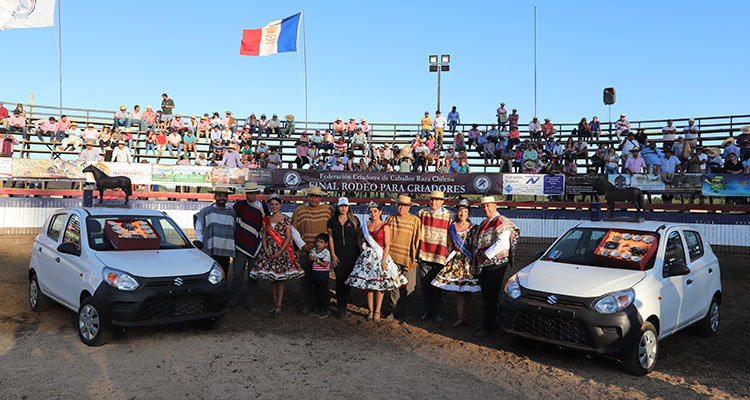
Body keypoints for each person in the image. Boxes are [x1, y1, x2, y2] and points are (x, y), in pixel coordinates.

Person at [346, 202, 408, 321]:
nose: (373, 214)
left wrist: (384, 260)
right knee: (369, 285)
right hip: (368, 257)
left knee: (380, 286)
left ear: (380, 212)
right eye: (370, 211)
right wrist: (361, 248)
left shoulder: (385, 226)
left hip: (380, 257)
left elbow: (387, 245)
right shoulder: (365, 225)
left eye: (375, 211)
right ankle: (370, 311)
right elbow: (358, 237)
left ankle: (378, 311)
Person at [251, 195, 305, 316]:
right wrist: (265, 249)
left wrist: (280, 251)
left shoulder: (286, 219)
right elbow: (264, 236)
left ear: (280, 205)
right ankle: (275, 304)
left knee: (280, 280)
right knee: (272, 279)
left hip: (281, 251)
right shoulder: (267, 219)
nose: (274, 206)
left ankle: (279, 305)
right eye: (272, 205)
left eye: (276, 204)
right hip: (269, 251)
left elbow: (288, 236)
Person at [473, 196, 519, 337]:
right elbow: (477, 243)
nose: (486, 208)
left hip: (495, 264)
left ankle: (489, 326)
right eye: (484, 206)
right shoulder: (485, 222)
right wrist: (478, 255)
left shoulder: (501, 221)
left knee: (491, 295)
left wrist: (484, 256)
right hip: (486, 263)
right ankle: (489, 324)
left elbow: (502, 243)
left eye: (488, 206)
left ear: (495, 206)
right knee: (487, 295)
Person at [431, 199, 480, 327]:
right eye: (460, 211)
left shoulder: (474, 228)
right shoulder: (452, 226)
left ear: (468, 213)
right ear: (457, 212)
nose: (462, 213)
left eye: (465, 211)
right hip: (456, 260)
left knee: (467, 290)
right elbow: (448, 244)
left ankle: (466, 315)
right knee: (459, 290)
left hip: (468, 262)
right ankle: (460, 316)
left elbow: (475, 248)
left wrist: (475, 264)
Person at [291, 185, 333, 315]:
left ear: (320, 198)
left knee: (322, 280)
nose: (314, 199)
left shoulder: (328, 210)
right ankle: (308, 304)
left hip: (324, 254)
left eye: (317, 196)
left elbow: (334, 229)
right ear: (308, 197)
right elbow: (293, 229)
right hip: (306, 251)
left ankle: (322, 305)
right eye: (312, 196)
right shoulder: (300, 211)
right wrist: (302, 245)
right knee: (306, 279)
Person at [229, 182, 270, 311]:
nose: (249, 195)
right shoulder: (239, 206)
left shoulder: (263, 207)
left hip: (255, 245)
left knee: (253, 275)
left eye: (252, 193)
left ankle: (250, 302)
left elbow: (267, 225)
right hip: (240, 245)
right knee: (237, 276)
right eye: (248, 193)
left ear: (257, 193)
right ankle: (232, 303)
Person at [417, 190, 454, 322]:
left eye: (437, 200)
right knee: (425, 285)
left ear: (442, 202)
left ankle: (436, 311)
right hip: (425, 254)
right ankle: (428, 310)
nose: (434, 202)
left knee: (437, 286)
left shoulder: (450, 216)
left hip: (440, 256)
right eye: (432, 200)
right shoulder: (422, 213)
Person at [382, 195, 422, 320]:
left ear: (409, 207)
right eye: (400, 205)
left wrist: (415, 258)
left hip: (408, 257)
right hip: (392, 258)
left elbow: (418, 240)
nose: (402, 208)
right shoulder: (390, 219)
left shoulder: (415, 220)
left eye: (405, 205)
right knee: (394, 286)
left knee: (409, 286)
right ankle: (393, 309)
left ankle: (407, 312)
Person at [327, 197, 362, 318]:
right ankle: (341, 307)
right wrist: (333, 254)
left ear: (349, 207)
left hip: (352, 254)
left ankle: (344, 304)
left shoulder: (354, 220)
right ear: (337, 207)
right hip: (338, 254)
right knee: (339, 279)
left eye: (345, 206)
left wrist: (361, 252)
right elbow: (330, 238)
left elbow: (358, 238)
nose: (343, 208)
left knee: (348, 280)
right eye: (341, 206)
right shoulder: (332, 221)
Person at [194, 187, 236, 275]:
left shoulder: (232, 212)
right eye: (219, 195)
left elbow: (234, 230)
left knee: (224, 274)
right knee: (210, 274)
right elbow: (199, 228)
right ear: (215, 197)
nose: (222, 198)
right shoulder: (206, 211)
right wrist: (201, 243)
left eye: (224, 196)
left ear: (227, 198)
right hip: (210, 250)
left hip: (225, 251)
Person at [306, 232, 333, 318]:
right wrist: (311, 259)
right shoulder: (313, 250)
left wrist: (316, 260)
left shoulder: (326, 253)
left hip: (323, 276)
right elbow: (310, 261)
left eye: (321, 242)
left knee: (323, 293)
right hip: (315, 275)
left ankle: (324, 310)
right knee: (316, 293)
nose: (318, 244)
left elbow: (325, 264)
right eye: (318, 241)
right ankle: (317, 309)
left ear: (326, 244)